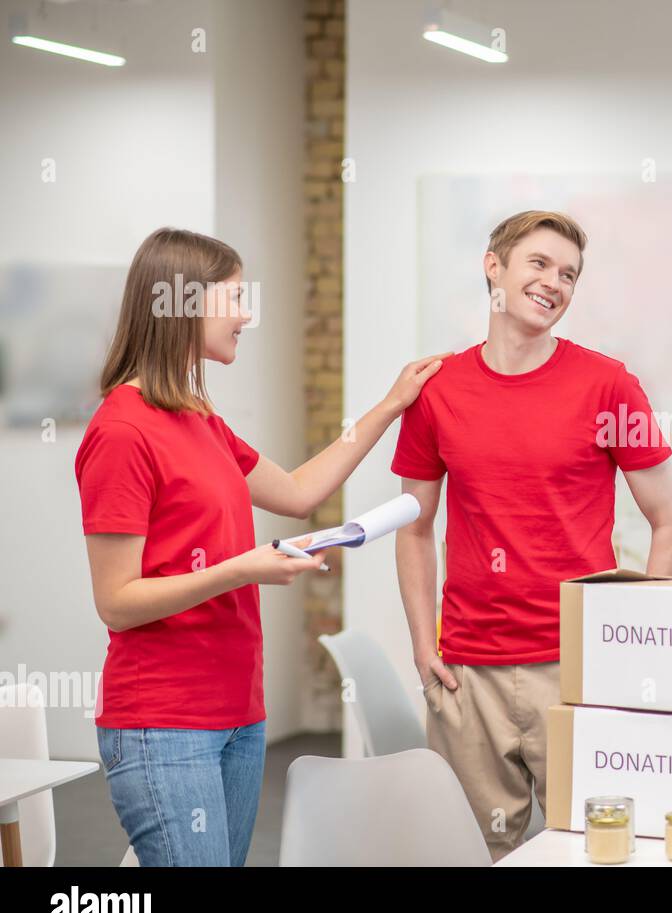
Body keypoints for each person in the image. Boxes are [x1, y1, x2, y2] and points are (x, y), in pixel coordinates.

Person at [76, 227, 443, 866]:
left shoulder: (198, 417)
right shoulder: (121, 431)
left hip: (238, 711)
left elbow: (300, 491)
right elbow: (116, 601)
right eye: (236, 297)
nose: (247, 314)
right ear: (183, 303)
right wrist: (240, 568)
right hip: (163, 722)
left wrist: (387, 408)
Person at [392, 210, 672, 861]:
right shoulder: (436, 390)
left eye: (569, 274)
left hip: (581, 670)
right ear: (493, 266)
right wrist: (422, 642)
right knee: (477, 853)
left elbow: (671, 517)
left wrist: (636, 642)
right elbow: (412, 530)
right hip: (467, 673)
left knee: (597, 853)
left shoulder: (609, 385)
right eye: (539, 263)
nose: (554, 282)